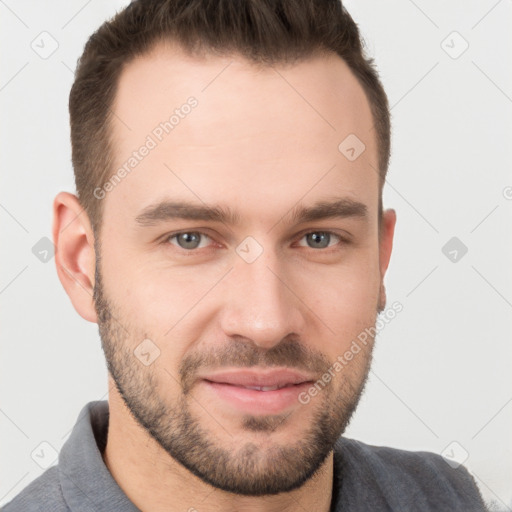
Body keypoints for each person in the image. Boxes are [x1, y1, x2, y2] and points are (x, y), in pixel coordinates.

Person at [3, 0, 488, 510]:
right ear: (82, 263)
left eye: (318, 238)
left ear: (381, 259)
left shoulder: (447, 498)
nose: (266, 322)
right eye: (190, 238)